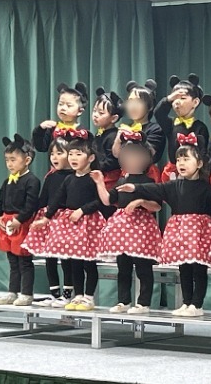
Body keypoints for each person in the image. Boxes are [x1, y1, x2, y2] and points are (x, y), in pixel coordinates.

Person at [117, 133, 211, 317]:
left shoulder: (207, 188)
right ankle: (186, 302)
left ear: (199, 163)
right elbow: (156, 188)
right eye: (178, 159)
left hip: (200, 232)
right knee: (184, 268)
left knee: (198, 268)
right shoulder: (174, 185)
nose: (181, 163)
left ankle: (197, 304)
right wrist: (135, 188)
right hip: (180, 231)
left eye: (186, 159)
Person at [32, 129, 105, 311]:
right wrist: (46, 218)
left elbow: (101, 201)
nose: (73, 158)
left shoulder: (94, 178)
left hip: (89, 223)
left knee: (89, 262)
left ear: (90, 158)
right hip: (72, 223)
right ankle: (78, 295)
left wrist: (82, 210)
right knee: (74, 262)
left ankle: (89, 297)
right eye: (71, 153)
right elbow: (57, 200)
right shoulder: (68, 179)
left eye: (78, 154)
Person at [92, 131, 162, 315]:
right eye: (127, 156)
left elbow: (157, 206)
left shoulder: (149, 181)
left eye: (136, 156)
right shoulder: (122, 180)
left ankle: (144, 302)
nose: (132, 160)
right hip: (122, 229)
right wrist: (100, 182)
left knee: (143, 267)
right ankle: (123, 300)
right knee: (123, 267)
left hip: (142, 229)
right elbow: (108, 200)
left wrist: (141, 202)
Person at [22, 137, 74, 308]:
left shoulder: (73, 176)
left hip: (64, 220)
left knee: (66, 258)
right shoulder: (51, 177)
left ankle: (67, 294)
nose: (54, 157)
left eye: (60, 153)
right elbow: (42, 199)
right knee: (49, 257)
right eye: (52, 153)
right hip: (48, 219)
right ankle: (54, 293)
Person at [0, 134, 41, 306]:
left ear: (27, 160)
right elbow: (0, 202)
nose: (9, 164)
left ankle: (26, 294)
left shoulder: (32, 181)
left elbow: (31, 205)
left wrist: (19, 220)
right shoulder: (7, 181)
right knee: (12, 260)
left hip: (23, 223)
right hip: (7, 223)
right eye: (7, 160)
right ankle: (12, 292)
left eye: (13, 159)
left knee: (24, 260)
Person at [154, 74, 209, 181]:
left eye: (182, 98)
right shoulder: (171, 124)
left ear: (195, 102)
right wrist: (169, 99)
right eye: (174, 99)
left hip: (194, 173)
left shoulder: (200, 127)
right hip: (173, 172)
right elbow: (158, 113)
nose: (177, 102)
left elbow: (203, 153)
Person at [112, 80, 166, 183]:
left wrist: (135, 135)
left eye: (138, 101)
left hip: (147, 176)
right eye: (130, 101)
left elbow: (151, 155)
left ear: (150, 106)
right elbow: (116, 154)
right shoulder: (125, 127)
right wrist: (118, 138)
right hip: (126, 174)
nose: (133, 106)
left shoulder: (155, 129)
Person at [32, 82, 88, 153]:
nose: (63, 108)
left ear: (80, 111)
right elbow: (41, 147)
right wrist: (41, 129)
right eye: (61, 104)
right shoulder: (53, 129)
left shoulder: (83, 132)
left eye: (69, 105)